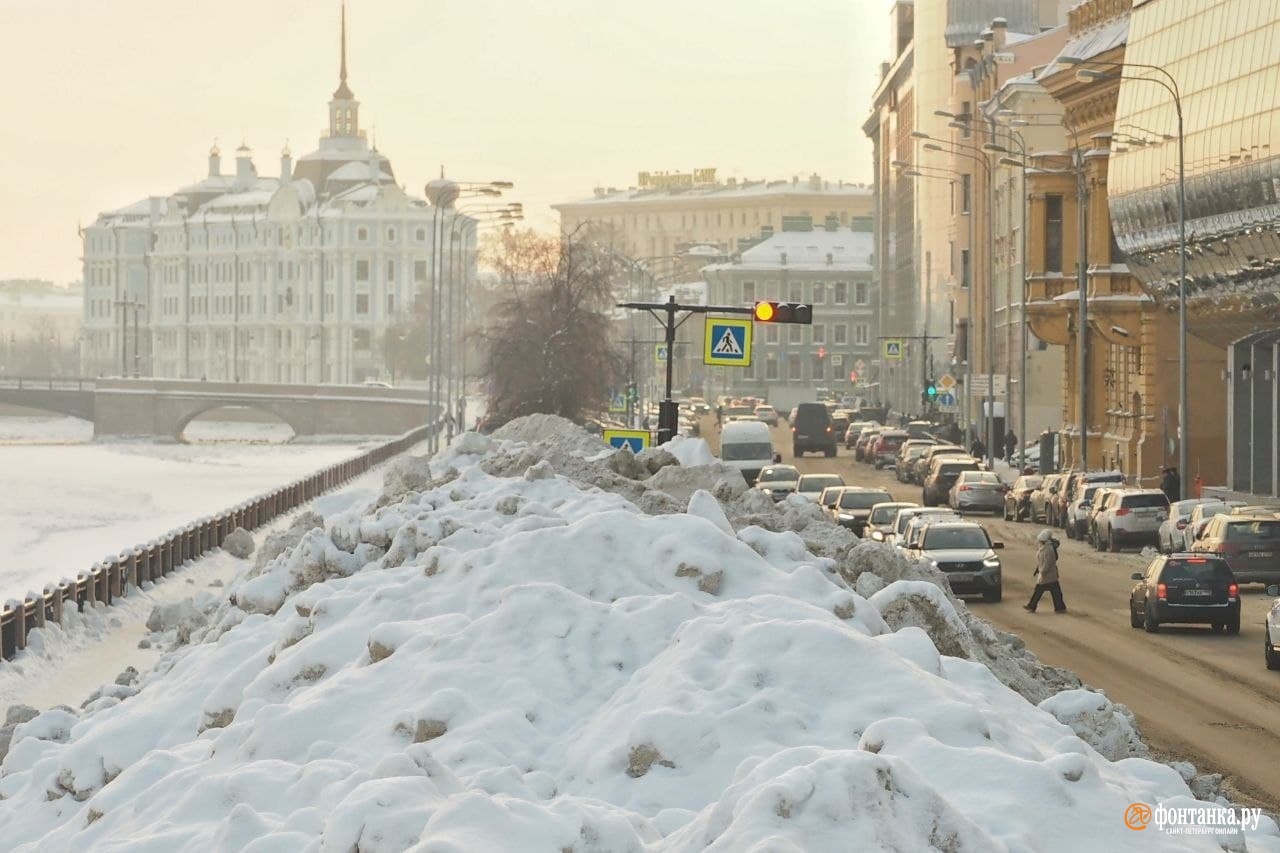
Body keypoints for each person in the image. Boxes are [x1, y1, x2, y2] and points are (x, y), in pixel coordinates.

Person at [1025, 529, 1066, 613]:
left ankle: (1032, 606)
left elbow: (1048, 562)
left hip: (1047, 575)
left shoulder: (1048, 549)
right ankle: (1060, 607)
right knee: (1055, 592)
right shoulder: (1044, 547)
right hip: (1049, 576)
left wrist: (1042, 572)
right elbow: (1042, 561)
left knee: (1039, 591)